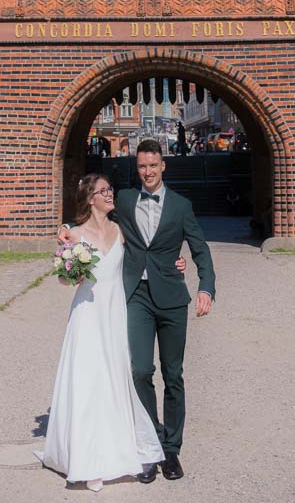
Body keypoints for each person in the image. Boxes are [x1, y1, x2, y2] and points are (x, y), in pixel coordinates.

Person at [39, 174, 168, 490]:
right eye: (103, 191)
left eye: (110, 189)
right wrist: (73, 274)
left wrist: (175, 261)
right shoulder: (75, 234)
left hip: (115, 312)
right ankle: (88, 458)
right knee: (89, 378)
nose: (110, 194)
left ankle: (119, 445)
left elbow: (147, 254)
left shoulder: (121, 230)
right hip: (88, 314)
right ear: (90, 199)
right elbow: (64, 279)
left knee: (115, 375)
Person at [114, 138, 215, 482]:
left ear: (163, 166)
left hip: (172, 298)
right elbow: (94, 214)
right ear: (137, 168)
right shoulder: (124, 199)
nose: (148, 172)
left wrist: (205, 287)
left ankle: (171, 450)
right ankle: (149, 445)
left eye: (153, 165)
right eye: (142, 166)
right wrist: (67, 228)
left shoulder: (181, 206)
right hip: (137, 296)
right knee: (140, 370)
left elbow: (200, 248)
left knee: (173, 375)